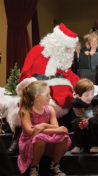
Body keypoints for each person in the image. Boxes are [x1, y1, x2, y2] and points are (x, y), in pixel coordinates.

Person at [7, 23, 80, 156]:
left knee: (62, 101)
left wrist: (82, 85)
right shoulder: (36, 51)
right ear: (58, 44)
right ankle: (18, 138)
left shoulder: (62, 58)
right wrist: (32, 84)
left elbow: (69, 75)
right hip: (37, 85)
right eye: (68, 48)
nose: (70, 52)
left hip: (58, 90)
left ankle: (55, 139)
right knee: (26, 103)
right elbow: (25, 73)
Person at [17, 81, 71, 176]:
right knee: (39, 138)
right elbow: (30, 131)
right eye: (47, 95)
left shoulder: (50, 109)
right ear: (36, 97)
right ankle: (34, 167)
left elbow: (56, 127)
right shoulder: (26, 110)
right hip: (30, 142)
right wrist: (55, 129)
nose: (50, 97)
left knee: (63, 137)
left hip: (46, 140)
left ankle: (54, 165)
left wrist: (44, 125)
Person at [70, 79, 98, 154]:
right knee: (76, 122)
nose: (90, 97)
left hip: (94, 122)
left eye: (92, 94)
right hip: (83, 122)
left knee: (93, 121)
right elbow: (79, 115)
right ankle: (78, 145)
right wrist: (84, 121)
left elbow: (95, 114)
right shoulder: (76, 103)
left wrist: (88, 121)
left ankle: (96, 144)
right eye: (86, 95)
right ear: (79, 96)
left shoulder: (94, 101)